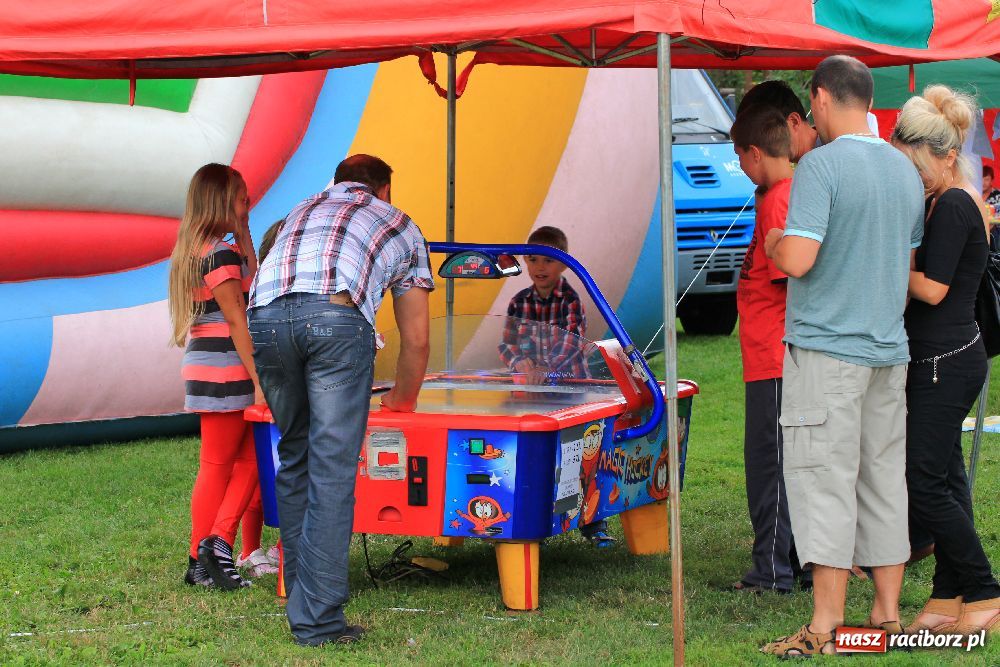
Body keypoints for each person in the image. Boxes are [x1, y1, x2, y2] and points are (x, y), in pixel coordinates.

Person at [761, 55, 925, 656]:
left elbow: (799, 260)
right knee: (884, 480)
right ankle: (886, 618)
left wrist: (776, 241)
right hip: (889, 348)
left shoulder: (822, 166)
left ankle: (825, 627)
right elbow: (905, 265)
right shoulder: (905, 171)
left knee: (824, 480)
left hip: (829, 350)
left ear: (823, 98)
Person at [248, 154, 433, 646]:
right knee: (332, 468)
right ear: (384, 189)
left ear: (337, 183)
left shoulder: (301, 210)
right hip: (335, 317)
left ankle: (301, 597)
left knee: (297, 457)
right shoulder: (399, 223)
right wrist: (402, 400)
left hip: (264, 320)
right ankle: (319, 621)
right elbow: (416, 340)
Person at [892, 85, 1000, 638]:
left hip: (948, 360)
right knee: (949, 480)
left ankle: (983, 589)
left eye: (917, 164)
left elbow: (932, 289)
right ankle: (949, 590)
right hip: (940, 358)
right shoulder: (941, 200)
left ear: (947, 156)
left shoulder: (955, 203)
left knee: (924, 479)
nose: (913, 174)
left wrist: (879, 263)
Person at [168, 163, 263, 591]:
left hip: (210, 362)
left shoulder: (199, 248)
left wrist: (243, 232)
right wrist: (260, 381)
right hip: (228, 364)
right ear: (223, 199)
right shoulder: (218, 252)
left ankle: (209, 552)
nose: (248, 202)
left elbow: (256, 284)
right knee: (223, 463)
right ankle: (204, 552)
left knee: (246, 460)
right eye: (242, 197)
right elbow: (240, 319)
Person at [498, 226, 612, 548]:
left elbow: (573, 343)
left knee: (577, 456)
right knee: (533, 456)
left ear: (563, 264)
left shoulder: (570, 301)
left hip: (569, 392)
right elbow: (506, 344)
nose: (539, 268)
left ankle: (593, 521)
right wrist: (521, 364)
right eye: (532, 260)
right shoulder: (519, 302)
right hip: (531, 394)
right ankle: (533, 517)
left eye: (547, 261)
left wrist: (545, 370)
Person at [728, 104, 795, 594]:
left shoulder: (777, 200)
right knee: (782, 464)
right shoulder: (780, 193)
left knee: (770, 465)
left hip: (774, 355)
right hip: (770, 354)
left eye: (739, 158)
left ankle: (772, 570)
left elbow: (787, 275)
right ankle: (791, 562)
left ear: (755, 154)